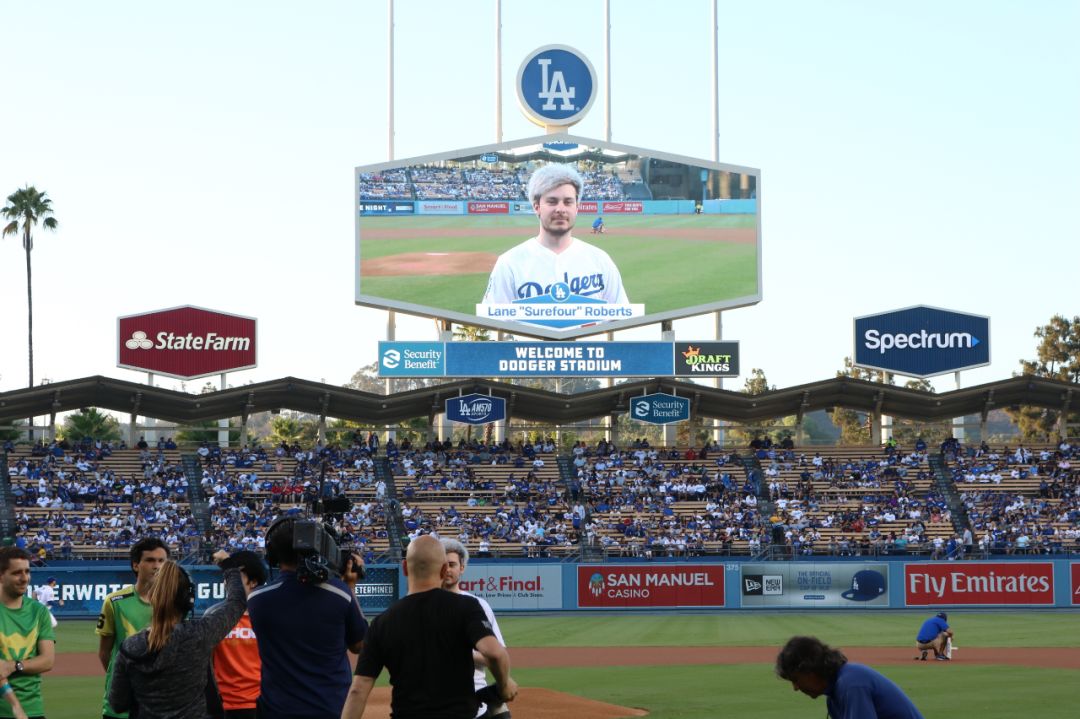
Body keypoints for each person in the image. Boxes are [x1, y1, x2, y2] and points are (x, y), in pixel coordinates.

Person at [341, 536, 518, 719]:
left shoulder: (382, 622)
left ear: (404, 569)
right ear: (443, 570)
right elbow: (495, 653)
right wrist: (504, 686)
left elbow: (358, 691)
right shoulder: (467, 606)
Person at [247, 515, 367, 719]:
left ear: (273, 556)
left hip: (277, 711)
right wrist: (349, 586)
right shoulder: (339, 593)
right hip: (330, 709)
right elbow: (360, 644)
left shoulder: (257, 600)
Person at [108, 553, 246, 719]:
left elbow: (117, 703)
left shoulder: (130, 647)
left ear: (151, 598)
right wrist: (228, 565)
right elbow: (237, 602)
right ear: (189, 600)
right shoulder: (200, 634)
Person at [481, 164, 629, 306]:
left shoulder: (601, 260)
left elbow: (620, 318)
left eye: (568, 202)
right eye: (552, 201)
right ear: (537, 207)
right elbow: (494, 321)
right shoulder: (509, 263)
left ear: (577, 208)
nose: (560, 209)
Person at [97, 537, 169, 719]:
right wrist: (123, 681)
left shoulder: (175, 604)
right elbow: (104, 653)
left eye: (162, 561)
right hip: (121, 706)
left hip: (160, 703)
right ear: (136, 565)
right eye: (150, 560)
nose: (157, 566)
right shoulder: (115, 602)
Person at [441, 538, 510, 719]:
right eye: (443, 564)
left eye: (452, 564)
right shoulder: (423, 606)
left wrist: (461, 653)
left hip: (476, 693)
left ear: (462, 567)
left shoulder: (478, 605)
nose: (447, 569)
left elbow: (497, 656)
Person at [776, 636, 924, 719]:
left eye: (796, 679)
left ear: (811, 670)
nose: (795, 688)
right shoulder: (835, 695)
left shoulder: (851, 684)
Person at [208, 551, 267, 718]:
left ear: (253, 582)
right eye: (227, 576)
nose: (229, 582)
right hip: (221, 707)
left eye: (236, 577)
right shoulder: (213, 616)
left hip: (260, 705)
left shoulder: (268, 618)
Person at [0, 547, 55, 719]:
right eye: (17, 573)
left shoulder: (39, 612)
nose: (24, 578)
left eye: (27, 571)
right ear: (1, 575)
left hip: (33, 709)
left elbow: (47, 660)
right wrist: (15, 706)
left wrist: (14, 665)